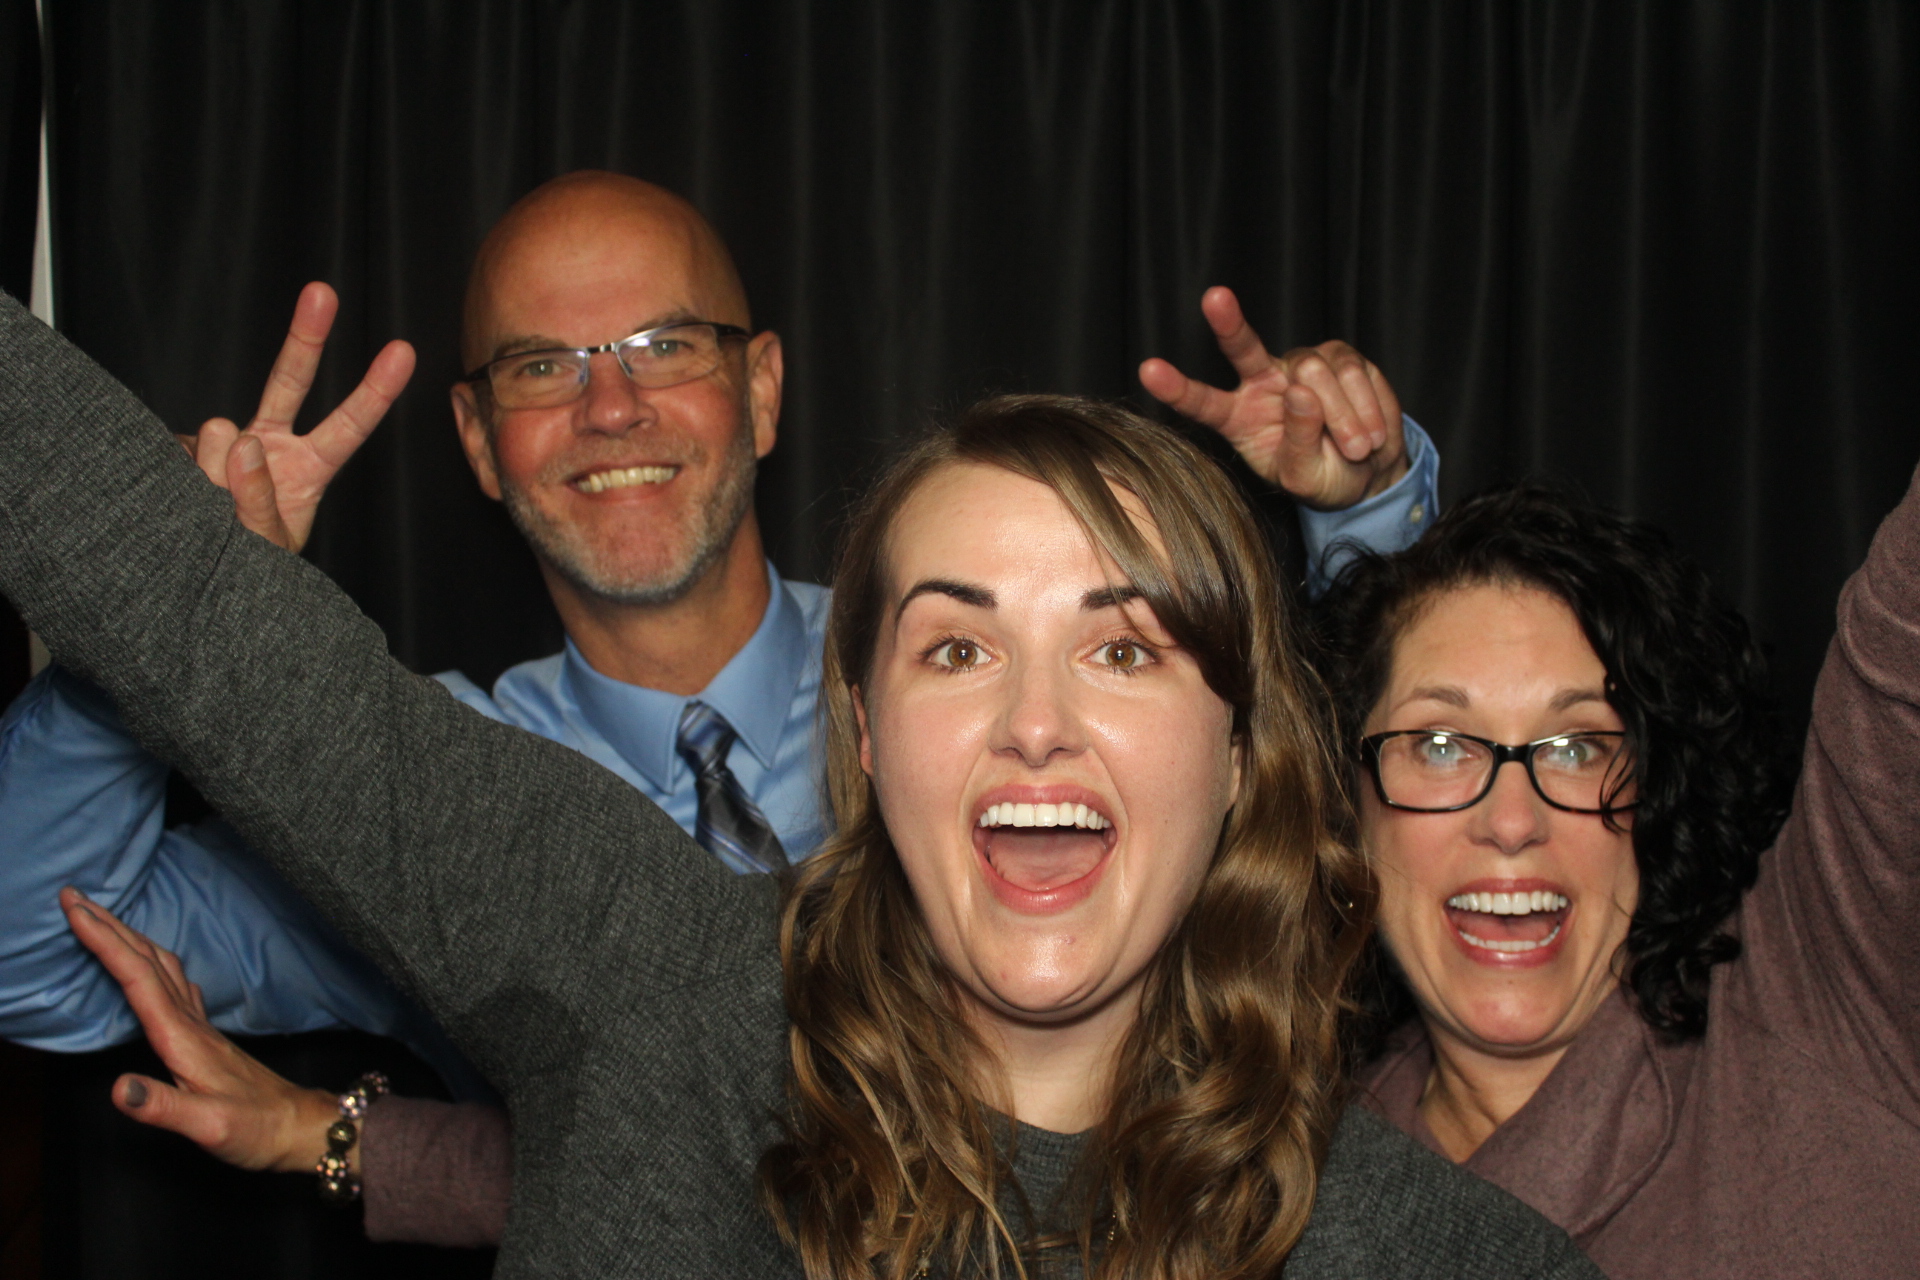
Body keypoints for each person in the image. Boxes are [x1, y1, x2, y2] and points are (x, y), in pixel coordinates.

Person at [0, 295, 1594, 1275]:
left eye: (1123, 653)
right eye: (957, 652)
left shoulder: (1435, 1259)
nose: (1036, 725)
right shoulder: (649, 970)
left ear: (1242, 745)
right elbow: (183, 608)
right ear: (864, 726)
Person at [1311, 485, 1920, 1277]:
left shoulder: (1819, 1003)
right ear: (1348, 806)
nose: (1510, 820)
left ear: (1659, 789)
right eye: (1437, 744)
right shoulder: (1293, 1181)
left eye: (1576, 747)